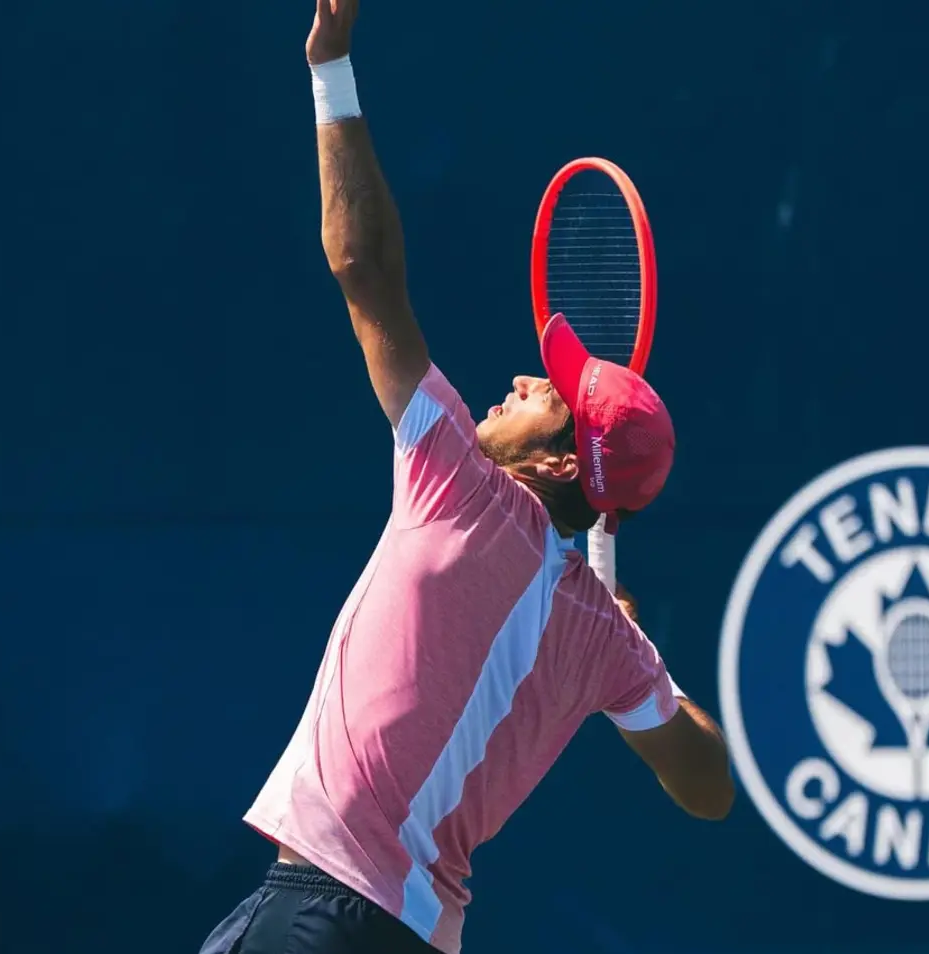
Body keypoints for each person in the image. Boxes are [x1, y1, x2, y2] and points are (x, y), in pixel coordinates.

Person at [197, 1, 734, 951]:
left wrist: (331, 67)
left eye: (548, 390)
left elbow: (364, 267)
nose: (524, 377)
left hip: (319, 914)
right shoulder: (603, 640)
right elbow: (707, 787)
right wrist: (640, 652)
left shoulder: (458, 481)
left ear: (562, 459)